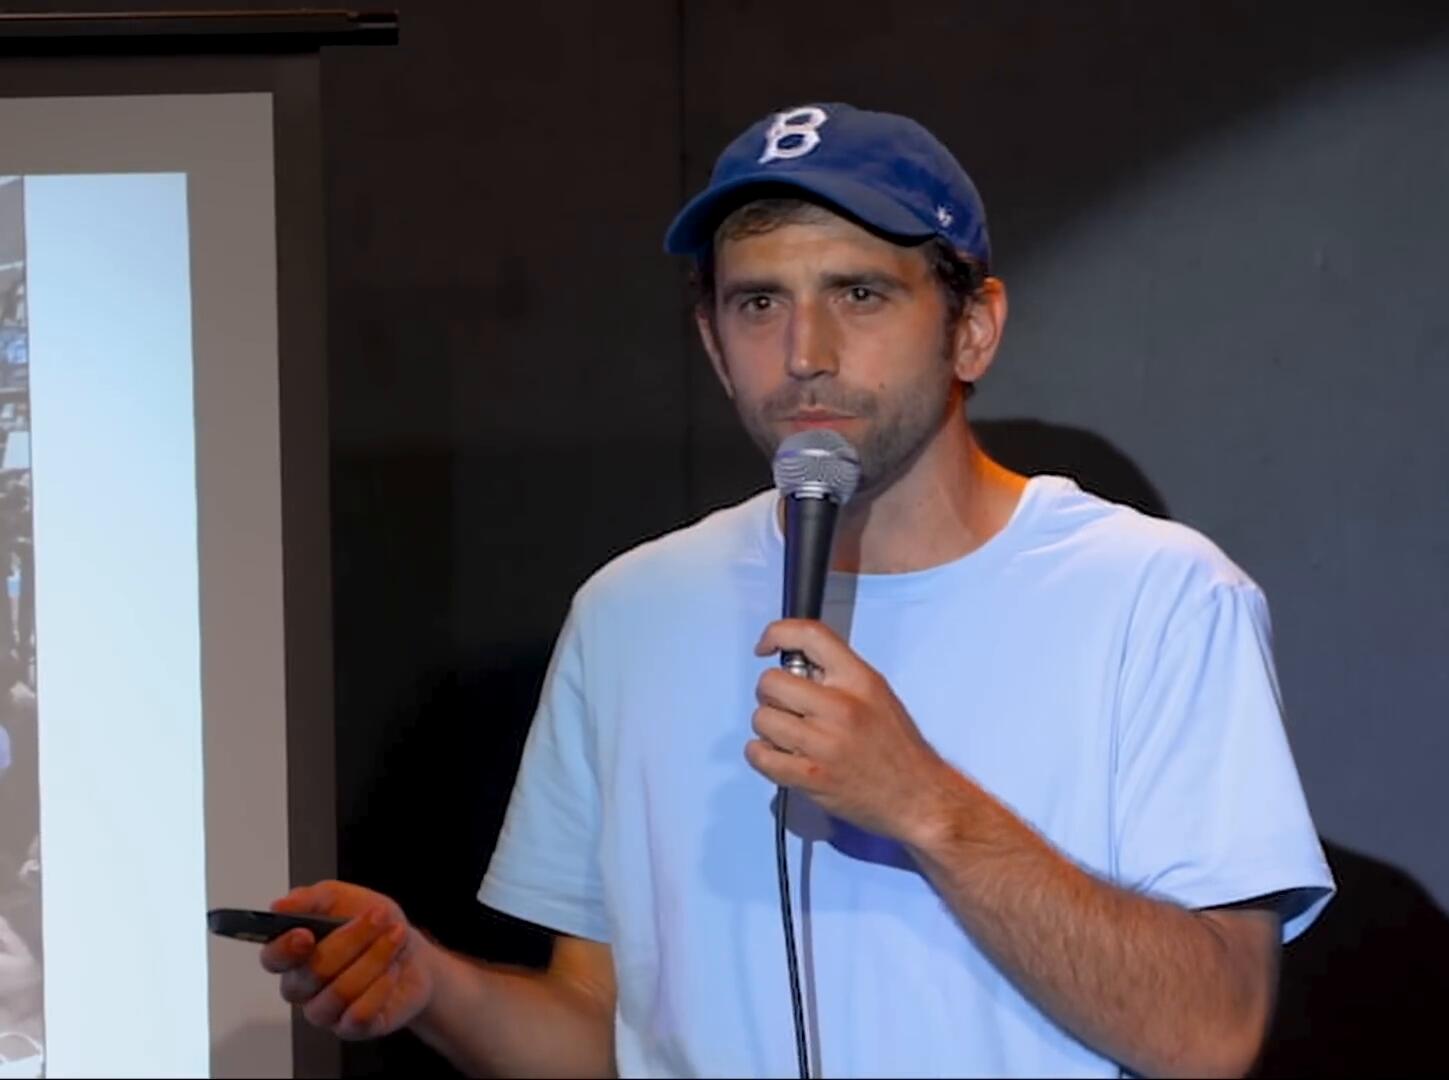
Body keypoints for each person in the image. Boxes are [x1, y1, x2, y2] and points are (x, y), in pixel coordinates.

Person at [261, 103, 1335, 1078]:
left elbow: (1211, 1034)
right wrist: (434, 991)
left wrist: (923, 803)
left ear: (973, 326)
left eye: (859, 294)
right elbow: (602, 1026)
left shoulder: (1157, 597)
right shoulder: (631, 612)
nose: (804, 354)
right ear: (713, 344)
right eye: (759, 302)